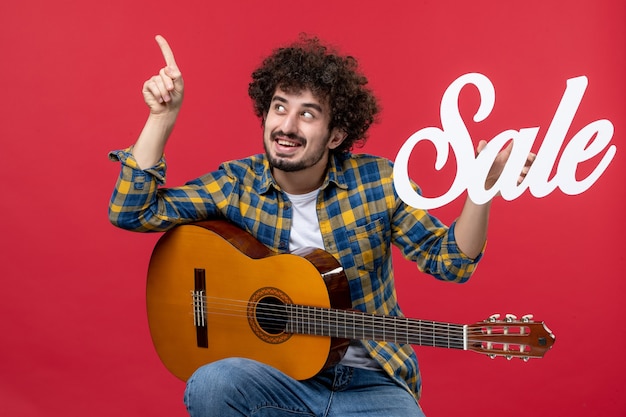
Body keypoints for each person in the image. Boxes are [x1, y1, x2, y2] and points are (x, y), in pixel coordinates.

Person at [109, 34, 533, 417]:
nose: (287, 127)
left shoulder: (380, 183)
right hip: (277, 380)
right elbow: (132, 211)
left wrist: (483, 188)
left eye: (308, 114)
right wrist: (161, 119)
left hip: (373, 385)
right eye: (279, 108)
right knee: (212, 383)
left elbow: (452, 263)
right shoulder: (235, 184)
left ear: (336, 135)